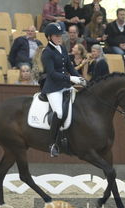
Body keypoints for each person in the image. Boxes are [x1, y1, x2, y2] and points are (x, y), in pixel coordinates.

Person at [41, 22, 85, 157]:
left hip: (65, 86)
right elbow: (52, 73)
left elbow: (70, 67)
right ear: (49, 37)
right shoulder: (47, 52)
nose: (59, 38)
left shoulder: (63, 48)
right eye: (56, 36)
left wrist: (80, 78)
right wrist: (71, 79)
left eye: (60, 35)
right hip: (53, 88)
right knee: (59, 113)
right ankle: (52, 143)